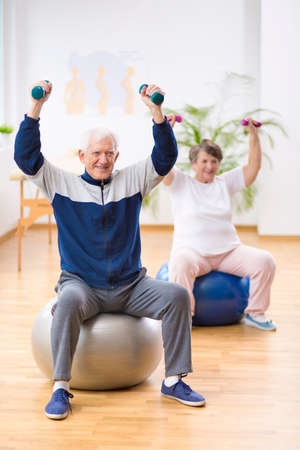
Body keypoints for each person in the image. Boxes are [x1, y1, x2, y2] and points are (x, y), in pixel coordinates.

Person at [14, 81, 205, 420]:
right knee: (68, 301)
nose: (102, 160)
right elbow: (26, 157)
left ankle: (174, 380)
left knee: (176, 296)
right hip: (82, 286)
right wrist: (35, 107)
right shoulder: (62, 185)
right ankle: (60, 387)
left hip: (131, 286)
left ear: (116, 156)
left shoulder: (132, 181)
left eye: (108, 154)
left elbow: (165, 158)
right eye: (95, 153)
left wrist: (156, 113)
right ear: (82, 156)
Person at [163, 115, 276, 332]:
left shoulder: (225, 182)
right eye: (204, 161)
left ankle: (256, 313)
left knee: (265, 261)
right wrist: (166, 131)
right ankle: (183, 319)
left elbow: (253, 167)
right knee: (180, 264)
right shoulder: (180, 183)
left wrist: (253, 134)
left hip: (228, 252)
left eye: (214, 161)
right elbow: (163, 164)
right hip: (193, 252)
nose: (209, 166)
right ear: (194, 163)